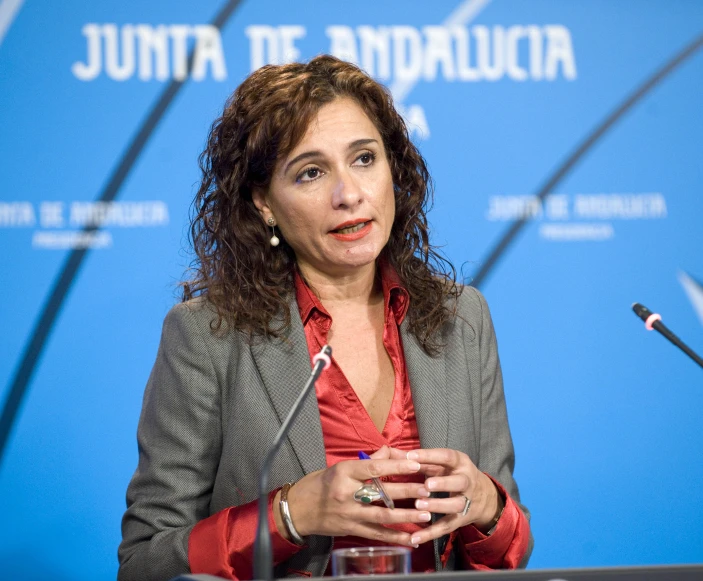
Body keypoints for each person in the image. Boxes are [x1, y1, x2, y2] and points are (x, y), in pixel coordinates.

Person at [118, 55, 532, 581]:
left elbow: (511, 551)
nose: (349, 194)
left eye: (364, 159)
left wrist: (485, 505)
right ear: (263, 202)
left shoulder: (460, 318)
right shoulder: (207, 336)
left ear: (393, 169)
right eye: (311, 172)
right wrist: (292, 513)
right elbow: (145, 564)